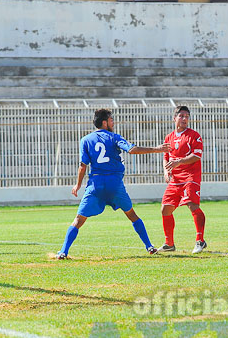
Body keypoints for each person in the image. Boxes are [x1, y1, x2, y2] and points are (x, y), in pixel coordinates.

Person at [56, 109, 170, 259]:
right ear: (104, 122)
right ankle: (149, 246)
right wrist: (156, 149)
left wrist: (77, 185)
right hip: (114, 184)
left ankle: (63, 251)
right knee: (132, 215)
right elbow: (132, 149)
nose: (113, 123)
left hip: (95, 185)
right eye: (111, 120)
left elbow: (83, 165)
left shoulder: (85, 140)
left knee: (78, 220)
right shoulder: (114, 137)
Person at [158, 106, 207, 254]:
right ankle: (169, 243)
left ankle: (200, 241)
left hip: (190, 177)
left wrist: (179, 162)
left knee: (192, 205)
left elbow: (197, 156)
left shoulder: (194, 135)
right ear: (175, 118)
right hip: (175, 178)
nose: (185, 119)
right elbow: (166, 156)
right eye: (181, 116)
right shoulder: (169, 137)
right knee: (165, 209)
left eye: (187, 116)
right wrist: (166, 171)